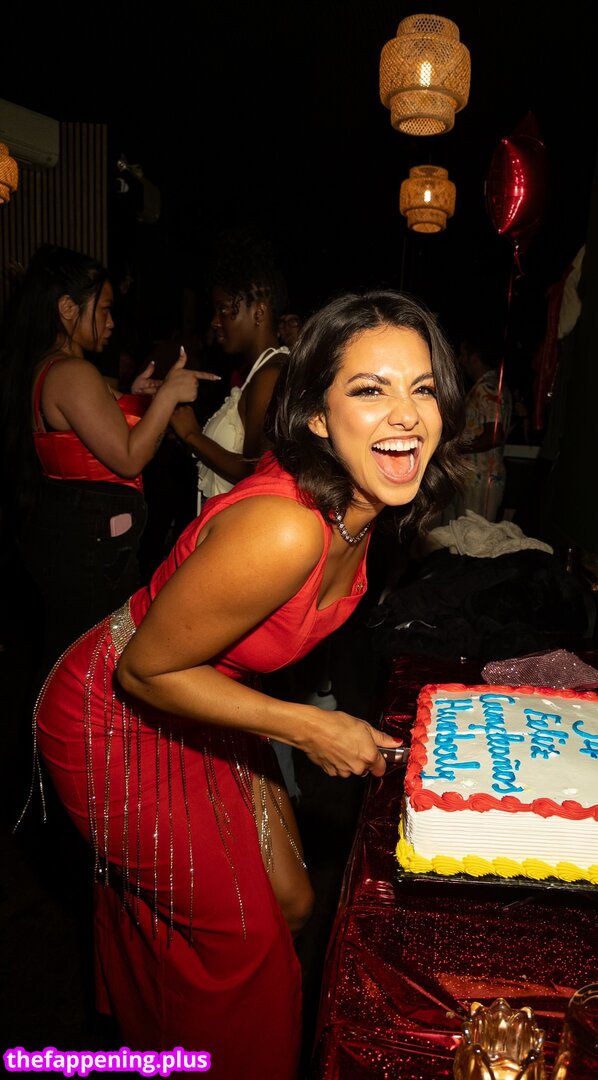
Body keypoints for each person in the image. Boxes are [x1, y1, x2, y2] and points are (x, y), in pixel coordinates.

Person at [31, 289, 467, 1079]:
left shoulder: (361, 506)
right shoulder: (287, 526)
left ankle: (164, 1041)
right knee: (243, 940)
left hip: (202, 698)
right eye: (370, 389)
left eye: (423, 387)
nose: (407, 414)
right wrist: (310, 726)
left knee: (295, 901)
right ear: (318, 418)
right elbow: (143, 670)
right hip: (115, 713)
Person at [0, 244, 218, 669]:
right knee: (95, 660)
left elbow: (97, 428)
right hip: (91, 544)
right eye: (103, 309)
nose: (111, 321)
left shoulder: (48, 367)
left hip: (71, 533)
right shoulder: (72, 373)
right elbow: (128, 458)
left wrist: (138, 398)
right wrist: (168, 395)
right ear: (67, 308)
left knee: (74, 653)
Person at [169, 233, 290, 508]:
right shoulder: (258, 372)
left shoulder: (271, 375)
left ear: (258, 312)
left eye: (223, 310)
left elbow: (259, 471)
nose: (214, 322)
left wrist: (193, 436)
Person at [445, 331, 512, 522]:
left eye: (463, 355)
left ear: (474, 358)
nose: (460, 360)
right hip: (477, 478)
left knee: (473, 535)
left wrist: (455, 447)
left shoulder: (487, 388)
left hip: (482, 479)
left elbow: (494, 436)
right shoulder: (494, 386)